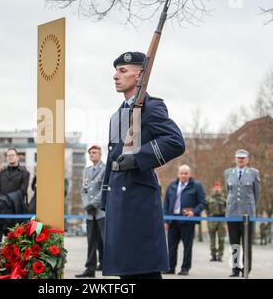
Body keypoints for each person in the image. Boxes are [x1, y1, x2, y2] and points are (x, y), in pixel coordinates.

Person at [100, 51, 185, 279]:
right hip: (119, 198)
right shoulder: (118, 114)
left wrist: (138, 158)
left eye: (123, 70)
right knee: (125, 271)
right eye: (116, 70)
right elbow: (112, 157)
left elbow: (175, 142)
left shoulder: (152, 107)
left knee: (144, 270)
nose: (116, 76)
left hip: (138, 198)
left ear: (139, 76)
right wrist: (106, 195)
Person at [163, 165, 206, 276]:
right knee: (171, 246)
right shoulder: (172, 185)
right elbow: (166, 203)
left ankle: (185, 268)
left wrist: (194, 212)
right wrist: (165, 220)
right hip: (172, 221)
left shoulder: (196, 186)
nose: (183, 175)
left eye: (186, 173)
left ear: (189, 174)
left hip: (187, 221)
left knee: (187, 247)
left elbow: (202, 203)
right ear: (178, 174)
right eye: (181, 173)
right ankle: (170, 268)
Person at [224, 149, 260, 277]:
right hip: (232, 213)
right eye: (238, 158)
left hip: (247, 214)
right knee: (234, 243)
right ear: (235, 159)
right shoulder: (228, 173)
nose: (240, 160)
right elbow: (228, 190)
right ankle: (235, 269)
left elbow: (256, 194)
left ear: (247, 159)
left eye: (243, 158)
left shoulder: (254, 173)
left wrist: (251, 208)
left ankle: (246, 269)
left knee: (247, 244)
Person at [76, 145, 106, 278]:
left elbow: (104, 189)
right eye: (90, 153)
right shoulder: (87, 171)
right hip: (90, 213)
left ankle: (108, 266)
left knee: (105, 241)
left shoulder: (105, 169)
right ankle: (90, 268)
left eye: (94, 152)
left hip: (101, 212)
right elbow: (84, 190)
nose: (92, 155)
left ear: (100, 154)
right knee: (91, 242)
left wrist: (93, 204)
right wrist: (87, 204)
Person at [0, 148, 30, 232]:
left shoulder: (25, 173)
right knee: (4, 239)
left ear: (17, 157)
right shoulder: (1, 173)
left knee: (17, 238)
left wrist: (8, 199)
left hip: (17, 209)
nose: (10, 157)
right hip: (3, 209)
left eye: (12, 155)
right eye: (8, 155)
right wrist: (0, 198)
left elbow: (23, 190)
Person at [205, 181, 227, 262]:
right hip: (212, 220)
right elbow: (206, 208)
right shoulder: (209, 198)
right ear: (213, 189)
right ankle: (213, 254)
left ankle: (220, 255)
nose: (217, 189)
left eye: (218, 187)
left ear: (220, 189)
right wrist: (209, 215)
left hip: (222, 220)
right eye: (215, 187)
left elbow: (228, 208)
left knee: (221, 239)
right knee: (212, 238)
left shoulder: (225, 198)